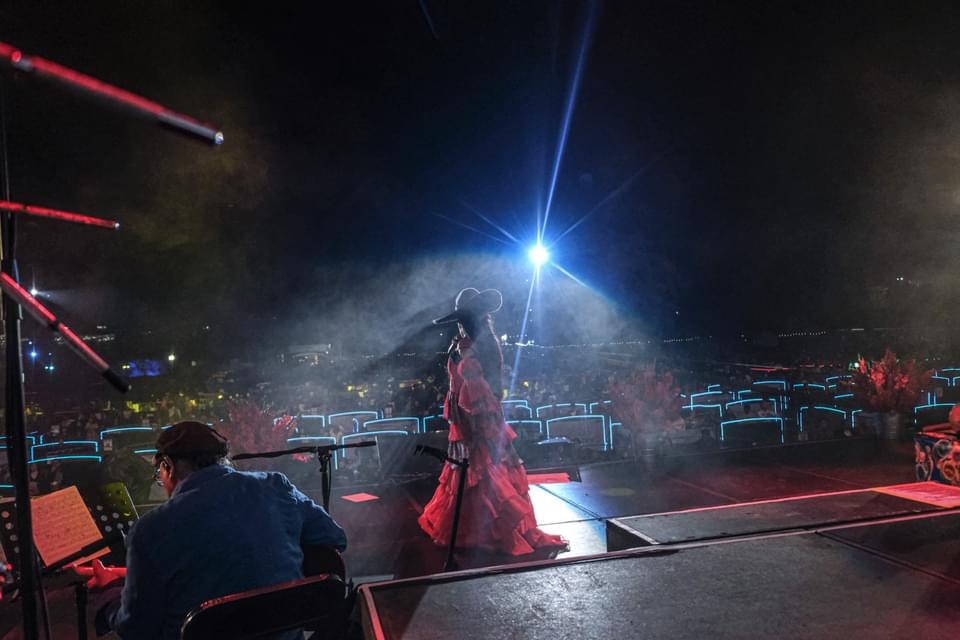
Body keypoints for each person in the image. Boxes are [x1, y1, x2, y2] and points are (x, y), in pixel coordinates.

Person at [92, 421, 347, 639]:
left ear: (168, 465)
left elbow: (136, 628)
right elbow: (333, 537)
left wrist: (110, 595)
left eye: (159, 475)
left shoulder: (150, 530)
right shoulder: (275, 487)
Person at [418, 288, 568, 556]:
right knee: (470, 472)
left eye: (463, 317)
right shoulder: (463, 342)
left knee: (484, 470)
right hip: (464, 417)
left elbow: (485, 390)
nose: (459, 322)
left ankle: (494, 532)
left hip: (478, 417)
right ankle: (474, 531)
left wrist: (479, 423)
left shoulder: (479, 344)